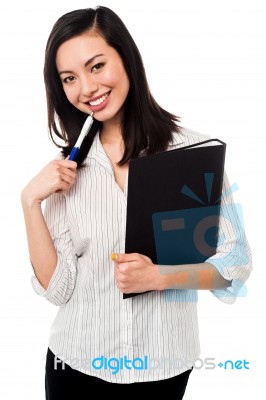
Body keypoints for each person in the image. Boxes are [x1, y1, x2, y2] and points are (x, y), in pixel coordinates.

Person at [21, 6, 252, 399]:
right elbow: (58, 290)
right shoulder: (67, 173)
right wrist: (29, 202)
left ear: (125, 57)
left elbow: (235, 263)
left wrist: (159, 277)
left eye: (96, 66)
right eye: (70, 79)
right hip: (74, 364)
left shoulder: (192, 153)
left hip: (162, 369)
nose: (87, 88)